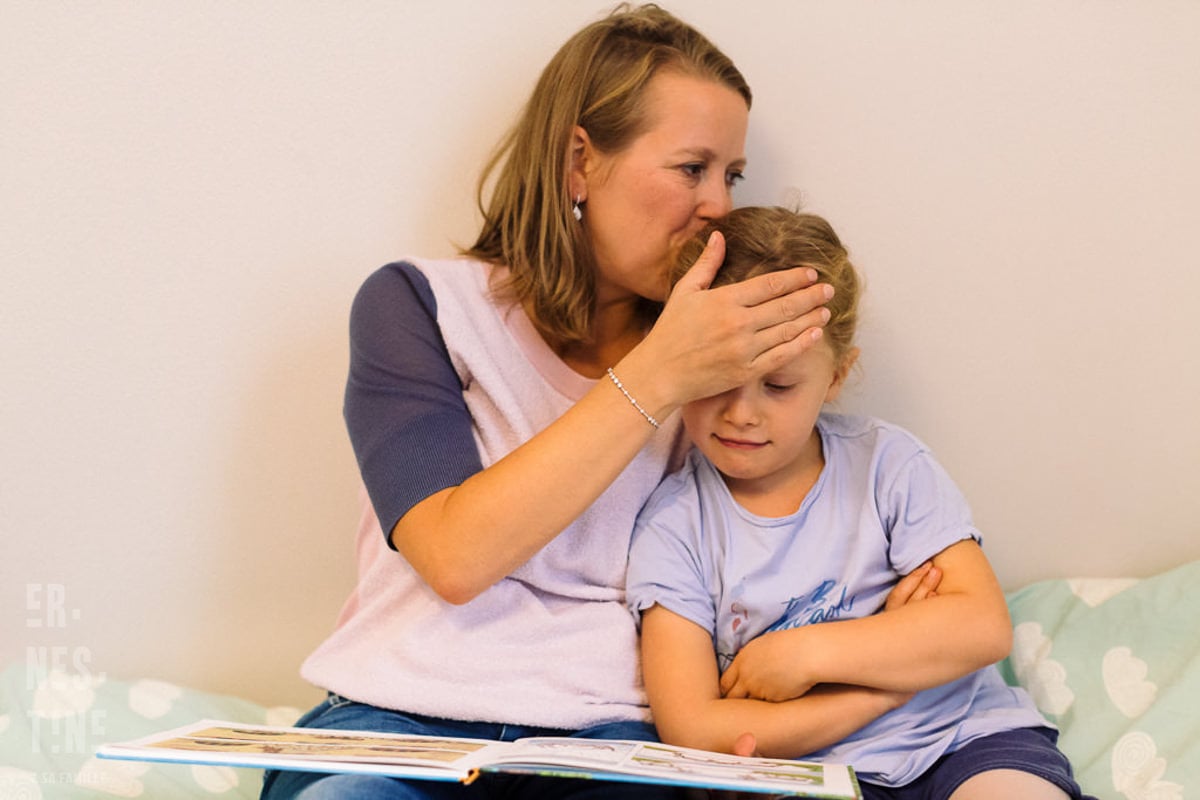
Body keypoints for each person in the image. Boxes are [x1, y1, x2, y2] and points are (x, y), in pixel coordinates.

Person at [260, 6, 837, 800]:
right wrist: (658, 374)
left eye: (730, 176)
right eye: (691, 168)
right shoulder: (419, 306)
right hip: (396, 719)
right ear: (578, 164)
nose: (718, 205)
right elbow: (455, 558)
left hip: (610, 737)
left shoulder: (722, 363)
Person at [626, 206, 1098, 800]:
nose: (742, 413)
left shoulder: (888, 465)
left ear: (836, 376)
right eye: (718, 379)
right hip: (805, 772)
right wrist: (884, 690)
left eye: (779, 385)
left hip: (961, 738)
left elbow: (980, 627)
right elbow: (694, 728)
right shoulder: (673, 527)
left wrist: (803, 654)